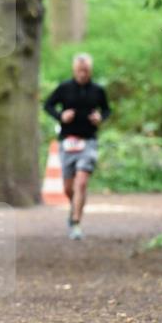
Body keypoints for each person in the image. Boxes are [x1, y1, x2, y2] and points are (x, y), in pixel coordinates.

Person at [43, 53, 110, 240]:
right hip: (67, 141)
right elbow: (48, 105)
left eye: (86, 70)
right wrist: (60, 116)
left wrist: (100, 118)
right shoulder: (64, 88)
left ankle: (76, 222)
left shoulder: (98, 90)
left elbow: (106, 109)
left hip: (88, 141)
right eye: (80, 70)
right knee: (68, 187)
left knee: (82, 182)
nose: (83, 74)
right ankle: (74, 207)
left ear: (90, 70)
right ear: (74, 70)